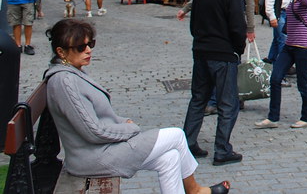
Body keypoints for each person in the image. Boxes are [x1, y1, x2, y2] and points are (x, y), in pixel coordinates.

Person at [44, 19, 230, 194]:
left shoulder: (70, 74)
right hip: (94, 157)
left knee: (170, 157)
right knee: (177, 136)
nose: (88, 50)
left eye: (90, 44)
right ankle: (195, 190)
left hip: (100, 150)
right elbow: (93, 130)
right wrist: (129, 128)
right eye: (80, 47)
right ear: (61, 52)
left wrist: (122, 122)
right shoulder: (65, 81)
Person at [182, 0, 246, 166]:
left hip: (201, 49)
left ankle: (188, 143)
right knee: (228, 103)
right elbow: (238, 25)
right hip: (223, 52)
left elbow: (194, 20)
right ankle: (222, 149)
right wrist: (239, 47)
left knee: (199, 98)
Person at [256, 0, 307, 129]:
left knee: (302, 83)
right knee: (275, 78)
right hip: (289, 44)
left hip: (304, 46)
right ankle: (273, 117)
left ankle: (306, 118)